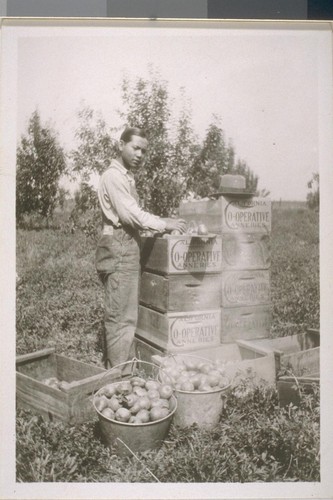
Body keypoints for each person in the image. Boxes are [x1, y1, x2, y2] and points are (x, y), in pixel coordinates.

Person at [95, 127, 187, 369]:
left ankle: (123, 369)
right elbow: (131, 215)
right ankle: (119, 377)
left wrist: (158, 225)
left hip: (125, 247)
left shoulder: (126, 176)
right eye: (135, 147)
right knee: (120, 318)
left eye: (144, 151)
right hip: (119, 249)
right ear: (121, 144)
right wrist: (164, 223)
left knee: (125, 313)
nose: (140, 154)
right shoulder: (114, 177)